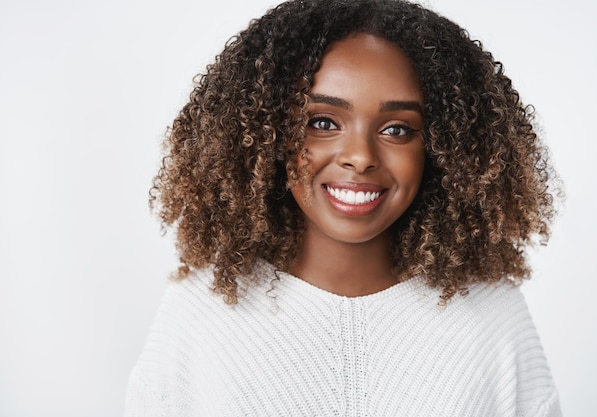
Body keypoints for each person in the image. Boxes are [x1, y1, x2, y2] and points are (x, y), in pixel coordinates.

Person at [124, 0, 561, 415]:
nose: (360, 155)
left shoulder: (492, 316)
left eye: (397, 129)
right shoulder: (202, 314)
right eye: (323, 123)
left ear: (446, 148)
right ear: (267, 135)